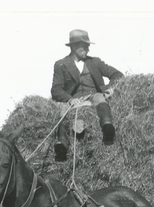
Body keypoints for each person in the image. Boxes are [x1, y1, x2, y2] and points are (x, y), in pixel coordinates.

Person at [51, 29, 124, 161]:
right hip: (74, 101)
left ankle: (108, 128)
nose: (87, 49)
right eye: (83, 46)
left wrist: (110, 88)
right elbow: (56, 90)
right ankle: (62, 144)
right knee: (63, 109)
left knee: (99, 97)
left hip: (93, 96)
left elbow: (117, 75)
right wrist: (70, 99)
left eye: (87, 46)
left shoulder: (95, 62)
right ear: (73, 46)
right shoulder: (61, 64)